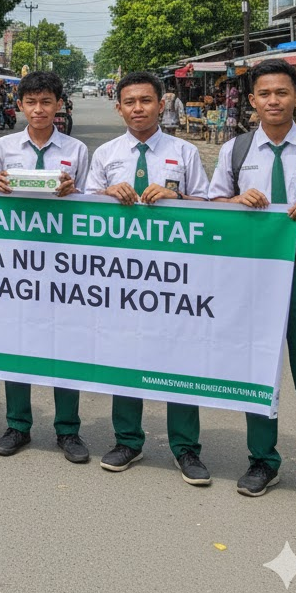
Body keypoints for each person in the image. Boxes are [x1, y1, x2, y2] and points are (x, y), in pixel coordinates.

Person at [209, 59, 296, 512]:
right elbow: (213, 205)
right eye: (264, 94)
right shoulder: (237, 150)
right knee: (257, 372)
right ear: (252, 100)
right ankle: (262, 461)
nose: (273, 101)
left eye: (282, 92)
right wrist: (235, 200)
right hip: (255, 278)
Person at [85, 70, 211, 485]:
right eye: (130, 102)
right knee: (126, 354)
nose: (137, 108)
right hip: (121, 276)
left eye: (145, 101)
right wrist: (106, 194)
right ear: (118, 108)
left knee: (180, 356)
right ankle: (127, 440)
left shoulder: (184, 152)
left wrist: (179, 197)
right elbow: (83, 207)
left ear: (161, 104)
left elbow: (209, 206)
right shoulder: (106, 154)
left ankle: (186, 448)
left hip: (175, 276)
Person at [0, 71, 91, 464]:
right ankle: (17, 425)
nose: (39, 109)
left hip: (64, 263)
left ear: (59, 105)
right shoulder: (3, 147)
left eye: (46, 102)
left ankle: (68, 429)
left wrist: (75, 192)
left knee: (65, 343)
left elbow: (94, 202)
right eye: (31, 102)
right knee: (18, 341)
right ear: (20, 105)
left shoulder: (76, 149)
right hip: (16, 262)